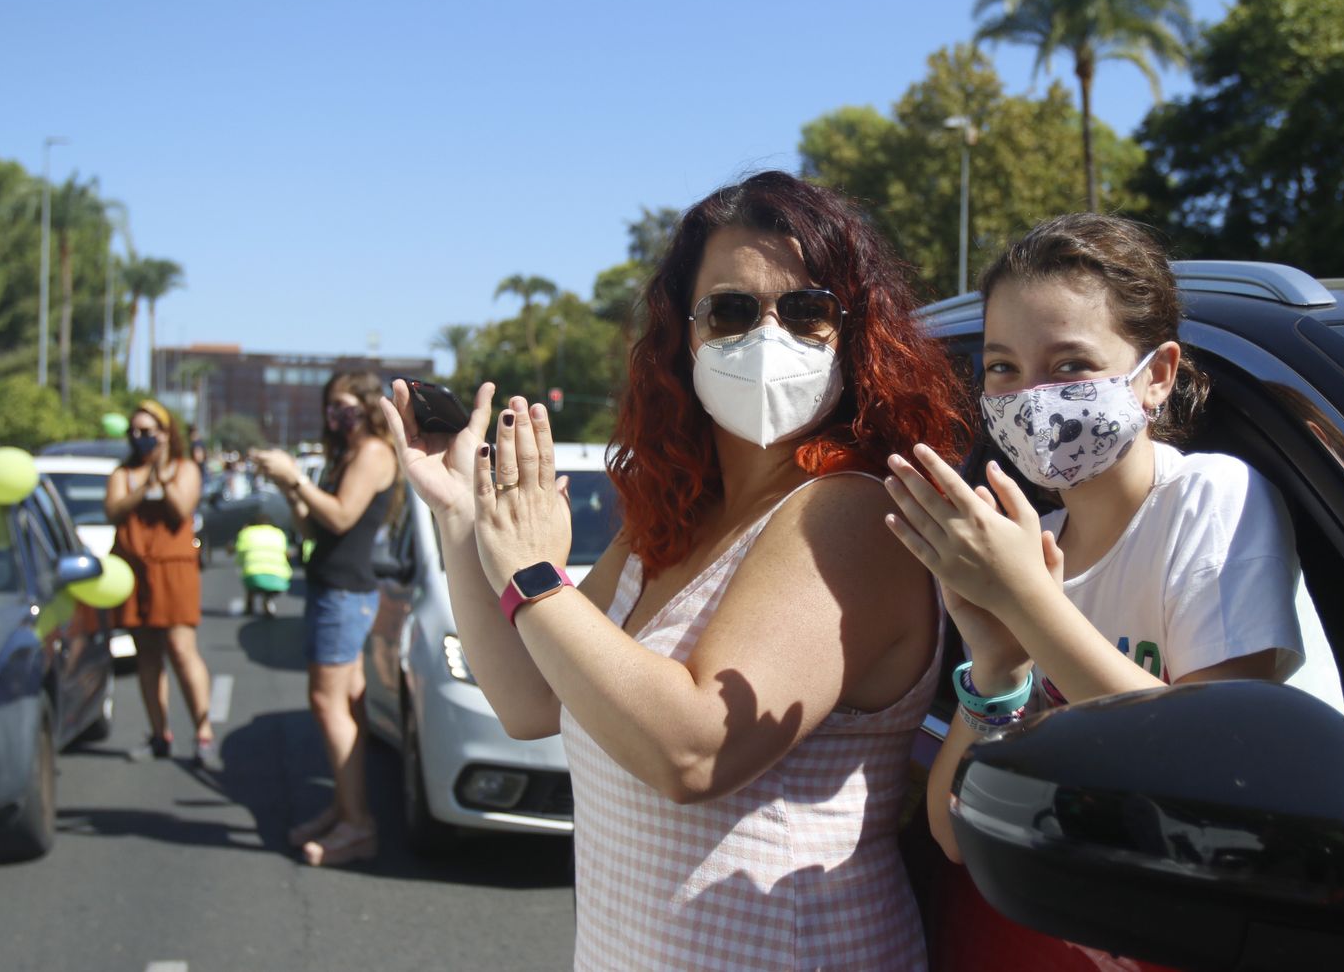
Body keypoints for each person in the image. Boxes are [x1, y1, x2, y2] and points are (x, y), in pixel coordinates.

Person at [385, 171, 969, 971]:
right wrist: (459, 518)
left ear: (854, 332)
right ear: (683, 337)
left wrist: (534, 575)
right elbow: (529, 699)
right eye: (731, 311)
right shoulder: (674, 514)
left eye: (805, 311)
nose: (769, 338)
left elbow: (694, 752)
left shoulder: (851, 513)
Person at [881, 213, 1344, 864]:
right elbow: (953, 834)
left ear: (1157, 376)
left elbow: (1217, 771)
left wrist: (1023, 601)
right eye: (1003, 368)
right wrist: (998, 668)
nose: (1032, 398)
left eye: (1070, 364)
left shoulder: (1210, 498)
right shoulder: (1030, 546)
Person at [251, 370, 399, 867]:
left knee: (326, 700)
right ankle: (345, 810)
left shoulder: (375, 452)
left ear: (368, 406)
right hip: (334, 587)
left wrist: (295, 476)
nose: (337, 416)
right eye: (331, 406)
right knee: (348, 703)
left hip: (343, 594)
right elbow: (313, 525)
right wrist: (291, 490)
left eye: (345, 405)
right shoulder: (350, 453)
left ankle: (357, 824)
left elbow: (340, 517)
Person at [104, 400, 218, 769]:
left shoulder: (185, 469)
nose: (140, 438)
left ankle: (203, 732)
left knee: (181, 649)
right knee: (147, 655)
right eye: (134, 432)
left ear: (166, 433)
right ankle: (159, 734)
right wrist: (143, 483)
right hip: (133, 566)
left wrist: (160, 474)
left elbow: (180, 508)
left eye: (148, 431)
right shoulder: (124, 472)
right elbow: (114, 510)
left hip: (174, 567)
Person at [233, 511, 291, 617]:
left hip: (253, 576)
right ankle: (267, 601)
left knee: (249, 571)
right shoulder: (279, 533)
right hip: (279, 578)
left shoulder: (246, 533)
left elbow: (239, 557)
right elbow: (287, 553)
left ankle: (249, 604)